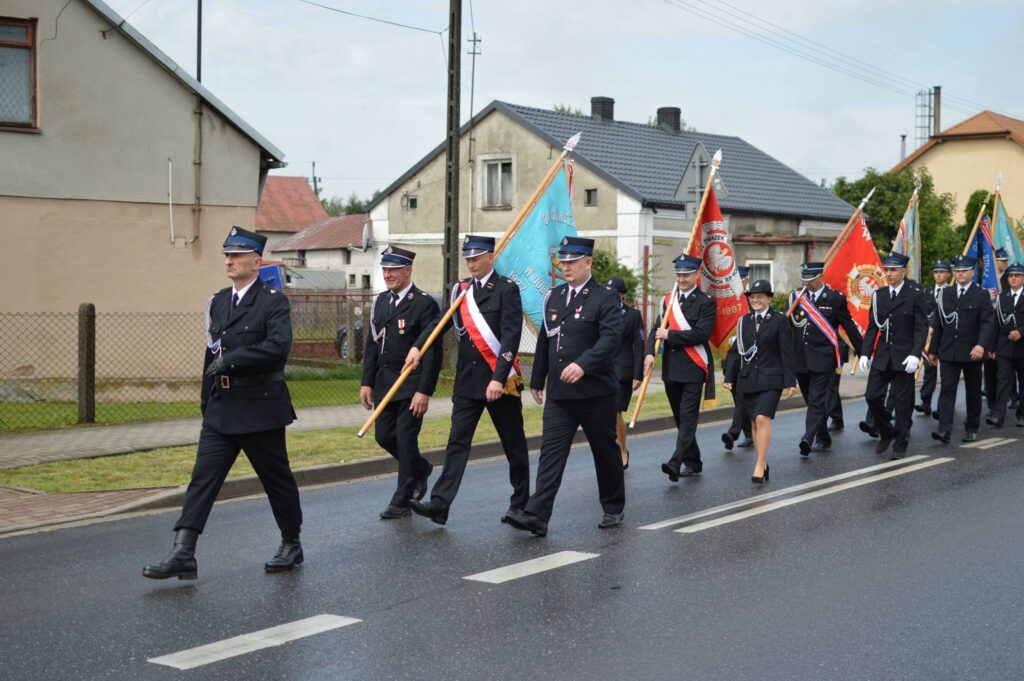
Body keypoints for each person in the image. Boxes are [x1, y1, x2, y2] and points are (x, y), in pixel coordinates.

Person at [143, 227, 304, 580]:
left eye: (237, 255)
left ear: (256, 262)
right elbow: (211, 354)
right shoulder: (218, 302)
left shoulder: (272, 301)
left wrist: (233, 360)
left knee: (276, 479)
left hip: (259, 407)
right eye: (227, 255)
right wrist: (206, 399)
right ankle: (183, 552)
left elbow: (278, 348)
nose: (229, 261)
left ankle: (291, 542)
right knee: (202, 479)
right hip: (222, 407)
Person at [403, 235, 530, 525]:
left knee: (513, 444)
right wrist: (418, 346)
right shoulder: (462, 290)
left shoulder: (506, 289)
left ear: (490, 257)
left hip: (500, 381)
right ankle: (440, 503)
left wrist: (498, 378)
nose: (471, 264)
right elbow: (439, 323)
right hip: (467, 381)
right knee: (456, 443)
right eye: (468, 259)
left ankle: (520, 504)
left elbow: (511, 337)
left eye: (476, 258)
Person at [505, 237, 624, 537]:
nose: (566, 267)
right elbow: (546, 339)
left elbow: (611, 339)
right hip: (560, 393)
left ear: (588, 263)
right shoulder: (554, 297)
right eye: (563, 262)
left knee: (604, 451)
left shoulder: (605, 298)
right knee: (551, 453)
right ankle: (537, 514)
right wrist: (537, 378)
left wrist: (584, 364)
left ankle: (613, 506)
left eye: (572, 262)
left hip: (595, 392)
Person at [360, 246, 442, 519]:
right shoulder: (380, 302)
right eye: (385, 270)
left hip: (410, 384)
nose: (387, 275)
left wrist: (424, 391)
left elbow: (432, 351)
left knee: (405, 439)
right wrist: (367, 382)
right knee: (384, 436)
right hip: (385, 383)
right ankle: (420, 468)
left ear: (408, 270)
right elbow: (373, 345)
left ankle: (402, 499)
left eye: (393, 270)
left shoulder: (424, 303)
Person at [644, 254, 717, 482]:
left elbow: (701, 334)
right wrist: (649, 352)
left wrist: (671, 335)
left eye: (686, 275)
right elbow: (656, 330)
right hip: (672, 370)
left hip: (693, 368)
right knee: (680, 418)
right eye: (679, 275)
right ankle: (693, 461)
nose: (681, 279)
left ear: (696, 275)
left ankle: (676, 462)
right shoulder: (668, 301)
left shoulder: (706, 302)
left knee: (687, 418)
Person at [723, 280, 797, 483]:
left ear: (769, 299)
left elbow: (787, 352)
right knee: (754, 422)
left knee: (763, 418)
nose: (755, 300)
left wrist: (791, 381)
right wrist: (729, 376)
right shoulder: (743, 321)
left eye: (760, 297)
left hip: (771, 379)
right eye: (752, 297)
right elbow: (735, 352)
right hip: (748, 379)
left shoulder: (779, 320)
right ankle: (763, 463)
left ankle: (759, 464)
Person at [789, 262, 864, 456]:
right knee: (810, 400)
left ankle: (808, 437)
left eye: (811, 280)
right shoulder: (796, 297)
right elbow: (789, 327)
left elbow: (849, 326)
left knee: (816, 399)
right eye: (805, 280)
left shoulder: (835, 298)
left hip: (824, 357)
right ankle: (823, 436)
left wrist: (863, 352)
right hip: (801, 357)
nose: (807, 284)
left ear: (821, 277)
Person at [859, 252, 928, 458]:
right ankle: (886, 430)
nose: (888, 274)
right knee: (871, 396)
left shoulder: (915, 294)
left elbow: (921, 328)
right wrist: (865, 353)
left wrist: (916, 354)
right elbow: (873, 327)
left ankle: (900, 443)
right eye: (886, 270)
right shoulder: (879, 295)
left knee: (902, 403)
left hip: (905, 357)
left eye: (893, 270)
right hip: (882, 355)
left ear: (903, 271)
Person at [928, 255, 996, 443]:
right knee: (947, 390)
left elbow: (987, 323)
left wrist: (981, 345)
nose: (960, 274)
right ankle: (944, 430)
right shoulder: (946, 294)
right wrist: (933, 350)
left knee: (973, 391)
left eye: (963, 271)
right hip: (949, 351)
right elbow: (939, 323)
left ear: (972, 272)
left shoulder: (981, 294)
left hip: (973, 351)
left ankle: (971, 428)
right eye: (957, 271)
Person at [606, 276, 645, 469]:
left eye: (614, 294)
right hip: (602, 371)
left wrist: (638, 374)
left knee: (615, 413)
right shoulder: (600, 312)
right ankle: (609, 451)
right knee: (602, 415)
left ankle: (622, 450)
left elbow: (639, 345)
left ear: (622, 295)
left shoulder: (633, 316)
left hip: (622, 372)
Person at [987, 263, 1024, 428]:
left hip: (1022, 347)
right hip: (1005, 348)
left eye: (1017, 275)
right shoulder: (1002, 297)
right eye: (1011, 276)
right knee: (1003, 382)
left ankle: (1022, 414)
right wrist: (991, 347)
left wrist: (1021, 331)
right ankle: (998, 416)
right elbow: (996, 323)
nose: (1013, 278)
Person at [722, 265, 753, 450]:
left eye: (740, 280)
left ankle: (733, 433)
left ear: (746, 280)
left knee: (741, 398)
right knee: (738, 399)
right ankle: (749, 434)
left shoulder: (752, 301)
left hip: (745, 358)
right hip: (729, 359)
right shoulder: (725, 302)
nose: (737, 284)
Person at [916, 260, 952, 416]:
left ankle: (943, 407)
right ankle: (926, 402)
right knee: (929, 369)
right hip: (929, 337)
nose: (938, 275)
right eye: (936, 272)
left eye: (942, 272)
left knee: (947, 373)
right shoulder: (927, 292)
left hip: (946, 338)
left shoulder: (952, 292)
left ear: (948, 274)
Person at [985, 247, 1015, 414]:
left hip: (1009, 331)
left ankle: (1013, 398)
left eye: (1005, 261)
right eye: (1001, 260)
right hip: (992, 329)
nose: (1005, 263)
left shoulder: (1010, 278)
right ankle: (995, 406)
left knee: (1009, 370)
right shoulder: (987, 278)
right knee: (994, 371)